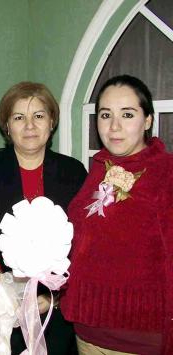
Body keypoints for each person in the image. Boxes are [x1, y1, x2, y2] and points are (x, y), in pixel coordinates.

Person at [0, 81, 87, 354]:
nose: (29, 125)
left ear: (51, 122)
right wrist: (7, 291)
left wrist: (52, 295)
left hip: (58, 310)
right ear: (7, 126)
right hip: (3, 308)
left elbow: (83, 241)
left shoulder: (73, 172)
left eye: (38, 116)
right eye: (19, 117)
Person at [61, 75, 173, 354]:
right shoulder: (99, 169)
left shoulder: (165, 173)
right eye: (105, 115)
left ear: (147, 120)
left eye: (127, 114)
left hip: (139, 340)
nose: (114, 126)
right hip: (87, 333)